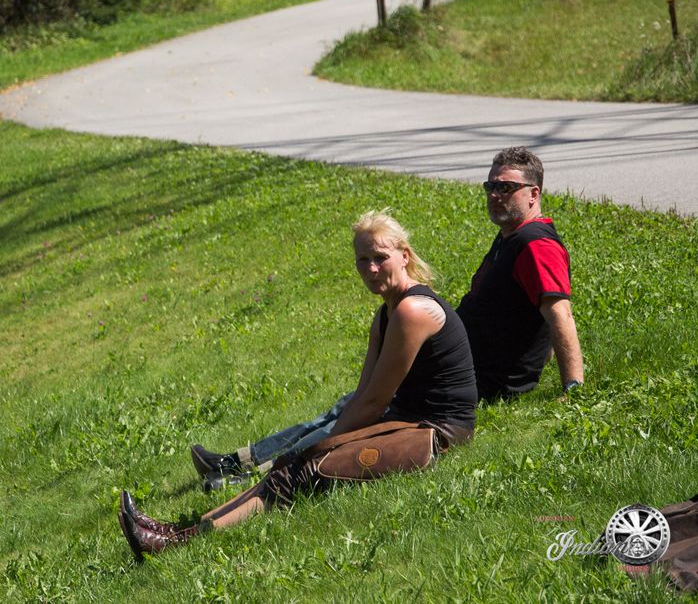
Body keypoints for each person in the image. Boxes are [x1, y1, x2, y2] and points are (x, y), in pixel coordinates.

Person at [190, 147, 584, 486]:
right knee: (349, 405)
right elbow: (533, 320)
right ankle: (242, 462)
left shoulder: (536, 244)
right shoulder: (511, 240)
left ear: (534, 194)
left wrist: (572, 388)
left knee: (360, 408)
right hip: (470, 370)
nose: (495, 195)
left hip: (473, 383)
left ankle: (263, 471)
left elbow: (558, 314)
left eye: (506, 187)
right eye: (490, 186)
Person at [118, 210, 477, 560]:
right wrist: (314, 446)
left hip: (435, 434)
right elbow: (364, 394)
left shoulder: (412, 311)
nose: (370, 268)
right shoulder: (385, 314)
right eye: (362, 260)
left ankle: (177, 542)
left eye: (380, 258)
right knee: (290, 462)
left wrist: (321, 447)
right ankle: (178, 533)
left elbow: (373, 402)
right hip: (406, 420)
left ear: (404, 256)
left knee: (302, 470)